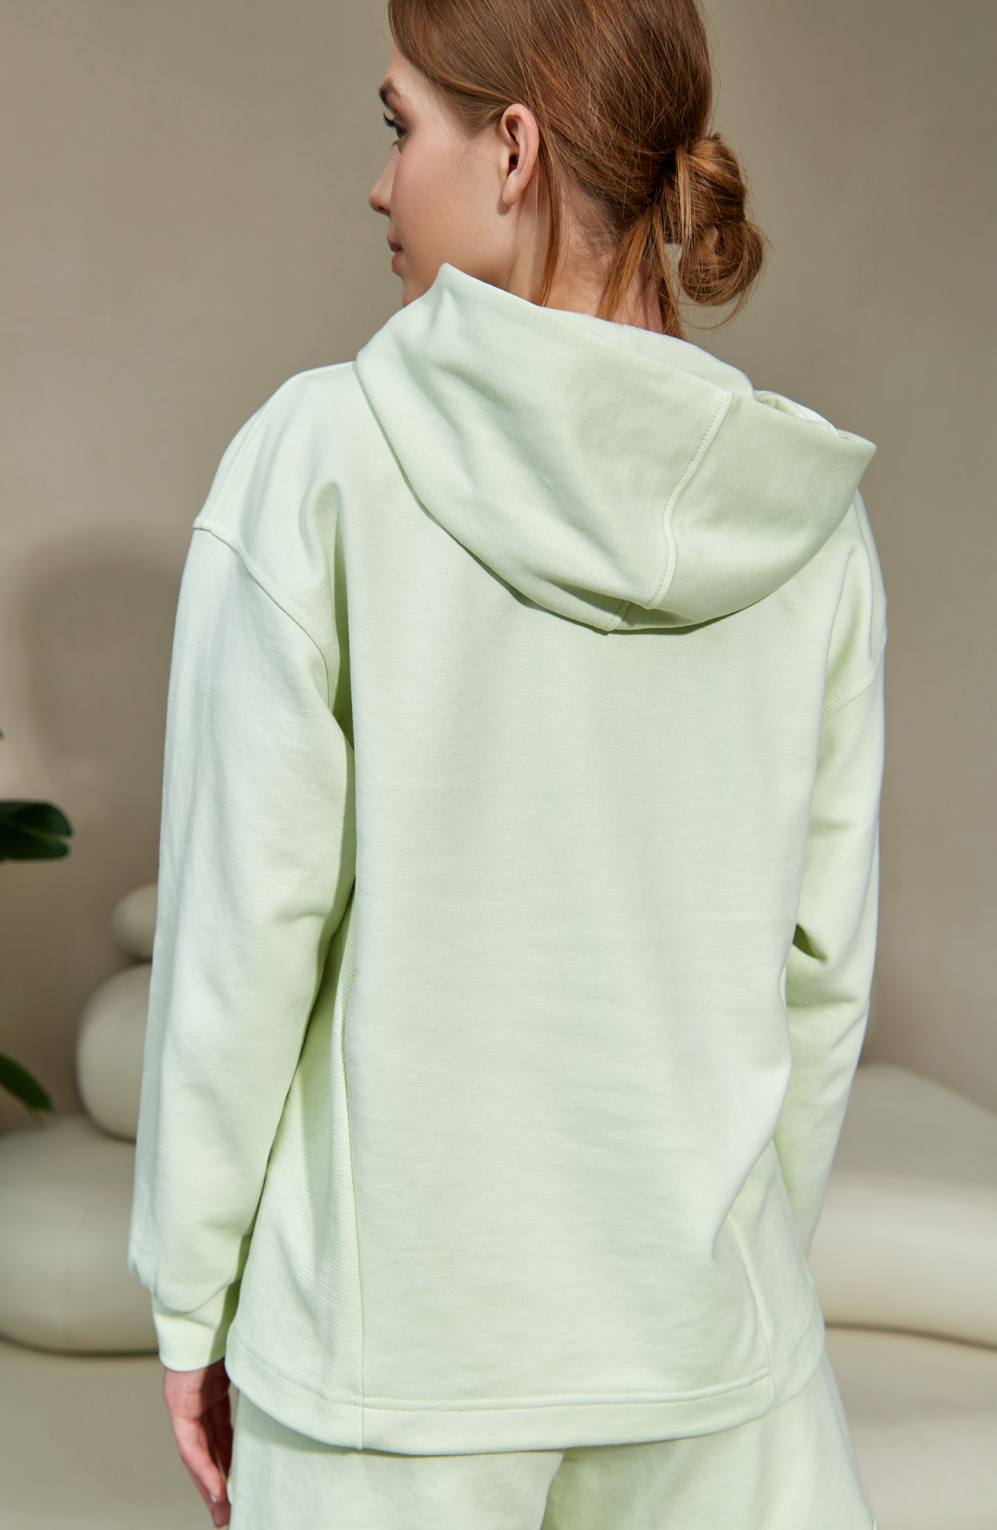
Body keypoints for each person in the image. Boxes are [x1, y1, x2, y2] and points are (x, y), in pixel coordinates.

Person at [127, 0, 885, 1526]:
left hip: (395, 1377)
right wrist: (706, 1296)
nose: (380, 182)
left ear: (516, 150)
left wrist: (193, 1299)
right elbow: (822, 975)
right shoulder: (808, 518)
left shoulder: (318, 459)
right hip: (717, 1370)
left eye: (400, 125)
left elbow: (242, 939)